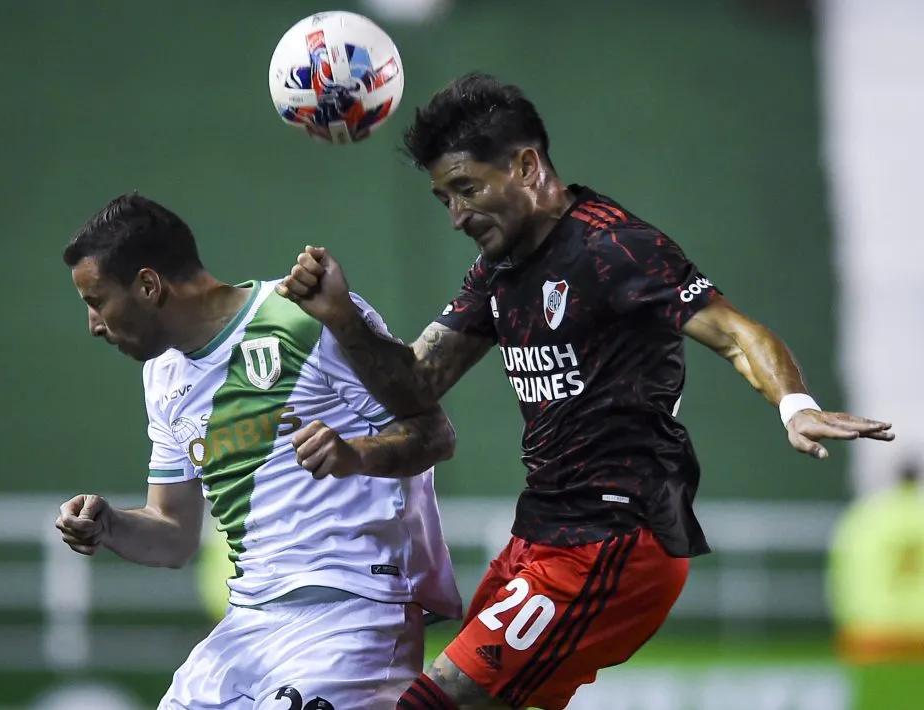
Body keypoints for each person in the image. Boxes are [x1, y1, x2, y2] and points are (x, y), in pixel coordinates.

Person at [276, 73, 896, 710]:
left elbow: (737, 334)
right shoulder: (496, 271)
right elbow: (416, 385)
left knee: (435, 703)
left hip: (617, 535)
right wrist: (342, 318)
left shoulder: (614, 248)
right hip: (542, 534)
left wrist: (796, 406)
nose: (457, 215)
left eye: (467, 189)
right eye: (444, 200)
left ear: (525, 164)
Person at [54, 193, 463, 710]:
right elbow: (174, 535)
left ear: (148, 285)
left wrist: (356, 454)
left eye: (96, 302)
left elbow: (434, 435)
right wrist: (109, 525)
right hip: (247, 623)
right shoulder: (162, 377)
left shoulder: (303, 317)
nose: (93, 325)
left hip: (354, 615)